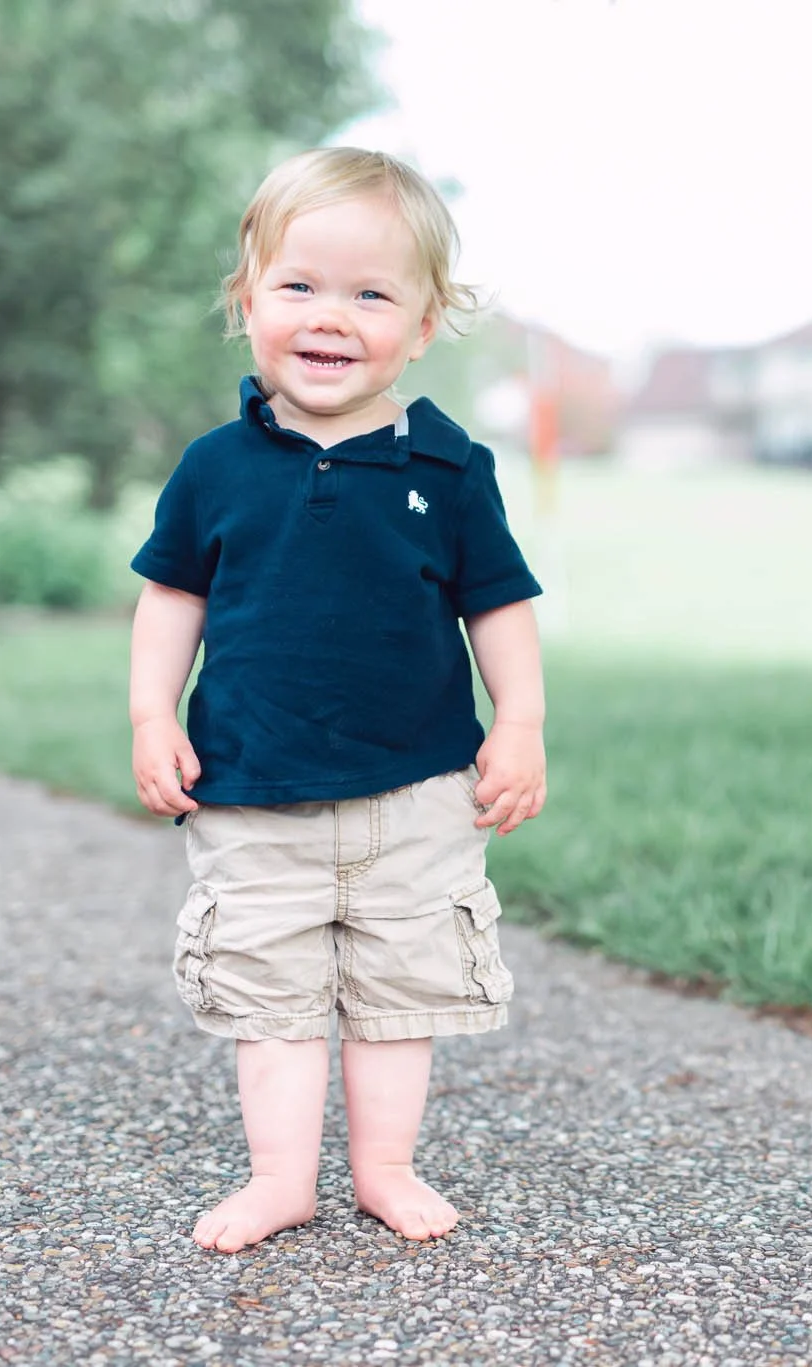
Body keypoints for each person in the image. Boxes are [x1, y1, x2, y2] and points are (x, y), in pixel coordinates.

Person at [127, 147, 547, 1254]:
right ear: (249, 302)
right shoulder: (215, 466)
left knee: (398, 994)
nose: (330, 316)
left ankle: (383, 1166)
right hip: (251, 789)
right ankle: (279, 1178)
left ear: (418, 328)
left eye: (371, 294)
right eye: (300, 286)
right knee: (269, 998)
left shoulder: (448, 468)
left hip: (415, 793)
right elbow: (170, 597)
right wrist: (150, 713)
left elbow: (497, 605)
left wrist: (520, 721)